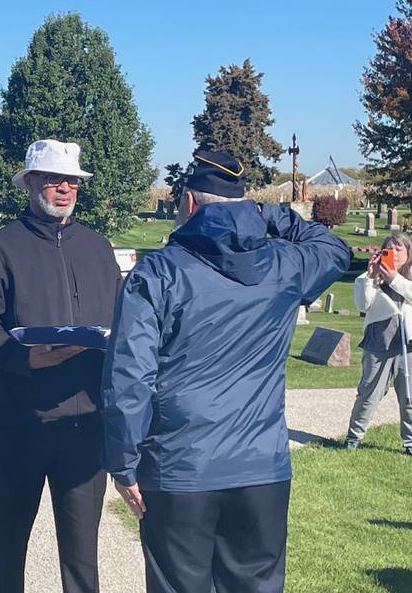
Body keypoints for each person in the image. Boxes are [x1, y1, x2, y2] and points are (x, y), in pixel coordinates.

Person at [101, 150, 351, 593]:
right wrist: (271, 214)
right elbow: (333, 249)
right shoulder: (283, 266)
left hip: (181, 465)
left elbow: (129, 379)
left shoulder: (157, 274)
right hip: (261, 468)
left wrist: (123, 464)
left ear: (190, 203)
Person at [0, 139, 121, 593]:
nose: (65, 188)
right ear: (30, 182)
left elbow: (120, 321)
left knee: (82, 559)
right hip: (20, 423)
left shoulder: (97, 247)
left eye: (71, 180)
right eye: (54, 179)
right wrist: (23, 356)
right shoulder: (0, 249)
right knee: (7, 550)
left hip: (85, 426)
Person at [345, 233, 412, 453]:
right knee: (369, 392)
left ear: (408, 253)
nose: (393, 253)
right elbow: (363, 305)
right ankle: (353, 438)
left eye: (399, 249)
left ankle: (410, 442)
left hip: (408, 344)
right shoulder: (369, 277)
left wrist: (394, 278)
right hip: (378, 342)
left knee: (409, 395)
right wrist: (371, 278)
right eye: (388, 249)